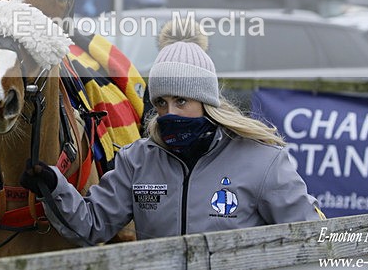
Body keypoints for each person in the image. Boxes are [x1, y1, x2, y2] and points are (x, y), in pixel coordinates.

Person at [21, 20, 323, 245]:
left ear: (206, 102)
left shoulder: (262, 160)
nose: (170, 113)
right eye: (161, 103)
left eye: (181, 101)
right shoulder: (137, 160)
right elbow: (92, 226)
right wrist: (54, 187)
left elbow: (310, 238)